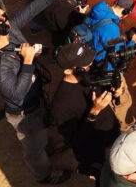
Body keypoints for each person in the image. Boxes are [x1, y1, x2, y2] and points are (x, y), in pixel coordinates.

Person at [0, 0, 73, 184]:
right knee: (34, 149)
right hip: (24, 113)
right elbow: (16, 94)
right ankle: (44, 175)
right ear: (1, 30)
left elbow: (29, 12)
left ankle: (46, 144)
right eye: (4, 20)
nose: (8, 20)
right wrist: (27, 62)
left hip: (35, 97)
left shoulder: (6, 34)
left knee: (41, 133)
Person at [51, 43, 120, 180]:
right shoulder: (61, 105)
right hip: (94, 150)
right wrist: (94, 111)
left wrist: (113, 90)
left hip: (110, 133)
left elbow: (102, 86)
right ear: (68, 71)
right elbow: (76, 141)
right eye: (85, 64)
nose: (91, 64)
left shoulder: (88, 74)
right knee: (105, 177)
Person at [83, 0, 136, 130]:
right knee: (123, 100)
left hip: (88, 59)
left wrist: (123, 39)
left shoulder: (98, 10)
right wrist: (132, 43)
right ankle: (123, 127)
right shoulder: (111, 29)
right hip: (102, 70)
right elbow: (116, 58)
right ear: (125, 12)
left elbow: (106, 42)